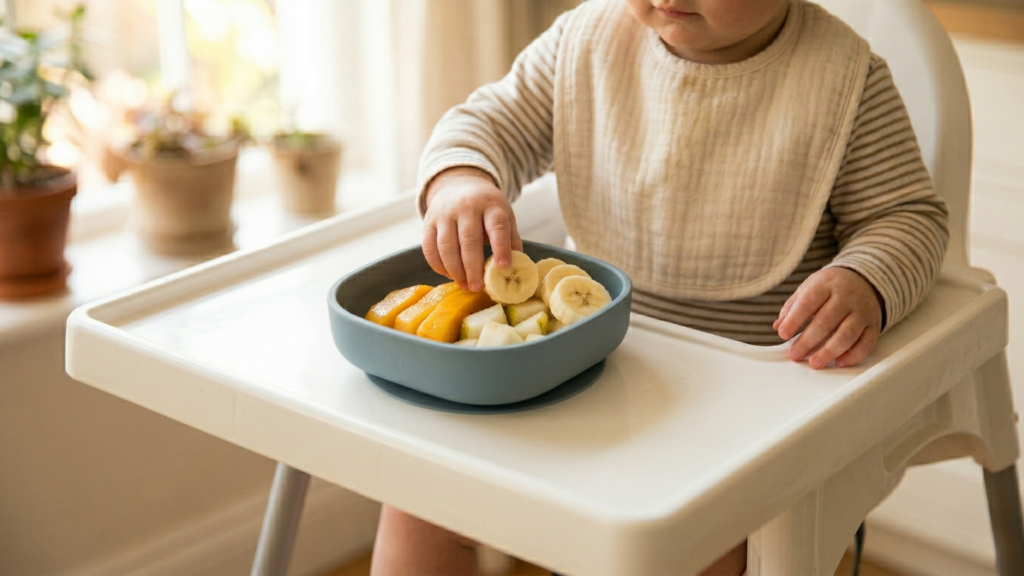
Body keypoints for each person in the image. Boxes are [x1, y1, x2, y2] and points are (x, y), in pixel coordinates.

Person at [372, 0, 950, 574]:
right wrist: (460, 181)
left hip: (744, 419)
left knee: (700, 546)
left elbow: (907, 218)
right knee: (420, 492)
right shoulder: (585, 43)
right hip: (586, 377)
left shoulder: (848, 81)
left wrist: (865, 280)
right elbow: (484, 123)